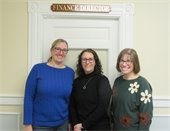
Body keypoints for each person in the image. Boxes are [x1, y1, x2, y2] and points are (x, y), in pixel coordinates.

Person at [23, 38, 75, 131]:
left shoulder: (70, 72)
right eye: (57, 49)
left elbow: (70, 100)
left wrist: (70, 121)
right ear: (51, 50)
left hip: (62, 123)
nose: (61, 52)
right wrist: (27, 124)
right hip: (40, 125)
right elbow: (28, 97)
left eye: (64, 50)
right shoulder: (38, 69)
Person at [110, 48, 153, 131]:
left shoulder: (143, 84)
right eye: (122, 60)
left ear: (135, 63)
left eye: (128, 61)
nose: (124, 64)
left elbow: (146, 116)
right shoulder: (117, 81)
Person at [69, 48, 112, 131]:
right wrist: (76, 124)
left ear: (95, 62)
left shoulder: (102, 80)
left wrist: (84, 125)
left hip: (99, 127)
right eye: (84, 59)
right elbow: (72, 106)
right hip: (79, 127)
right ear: (80, 62)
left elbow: (103, 106)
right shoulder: (76, 82)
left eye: (90, 59)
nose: (87, 62)